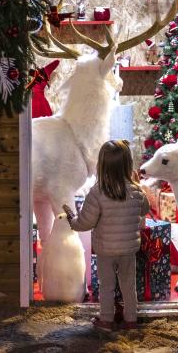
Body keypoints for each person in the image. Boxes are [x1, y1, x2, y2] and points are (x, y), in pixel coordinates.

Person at [63, 140, 150, 332]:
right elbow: (145, 209)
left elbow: (85, 223)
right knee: (129, 286)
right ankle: (131, 321)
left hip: (106, 250)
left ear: (101, 166)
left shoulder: (97, 193)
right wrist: (137, 185)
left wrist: (72, 219)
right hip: (128, 250)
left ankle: (107, 320)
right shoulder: (136, 191)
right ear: (128, 165)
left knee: (107, 286)